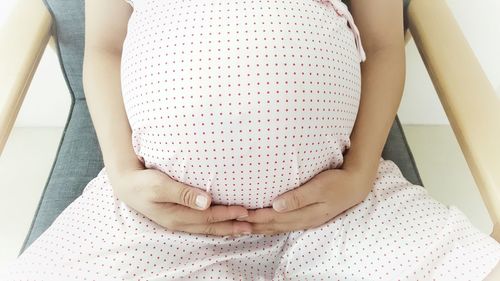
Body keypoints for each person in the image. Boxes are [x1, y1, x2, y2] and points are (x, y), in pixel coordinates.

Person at [1, 0, 500, 279]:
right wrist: (123, 175)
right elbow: (105, 49)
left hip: (344, 211)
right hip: (158, 221)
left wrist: (360, 172)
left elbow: (384, 44)